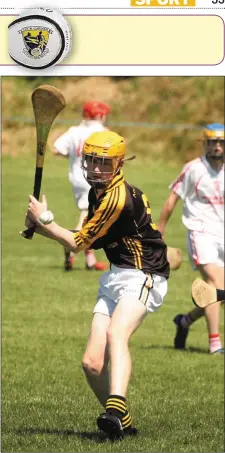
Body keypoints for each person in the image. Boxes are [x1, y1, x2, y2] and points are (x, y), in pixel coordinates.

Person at [25, 130, 170, 440]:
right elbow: (91, 238)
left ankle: (115, 409)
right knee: (91, 363)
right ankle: (124, 425)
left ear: (118, 165)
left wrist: (44, 222)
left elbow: (77, 244)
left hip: (144, 274)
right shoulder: (97, 193)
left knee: (117, 333)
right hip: (117, 274)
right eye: (91, 161)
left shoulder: (117, 198)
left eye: (104, 163)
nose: (95, 168)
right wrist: (40, 228)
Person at [158, 123, 224, 354]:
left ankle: (185, 320)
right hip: (200, 232)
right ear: (204, 143)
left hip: (222, 233)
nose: (217, 146)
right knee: (216, 283)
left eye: (221, 142)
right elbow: (171, 200)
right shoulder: (193, 169)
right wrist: (160, 231)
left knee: (220, 292)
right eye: (212, 142)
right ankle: (215, 344)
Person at [53, 100, 111, 271]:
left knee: (90, 217)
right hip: (96, 178)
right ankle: (71, 247)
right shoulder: (103, 132)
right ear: (100, 115)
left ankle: (90, 260)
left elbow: (57, 149)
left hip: (77, 179)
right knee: (89, 218)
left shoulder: (74, 131)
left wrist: (74, 157)